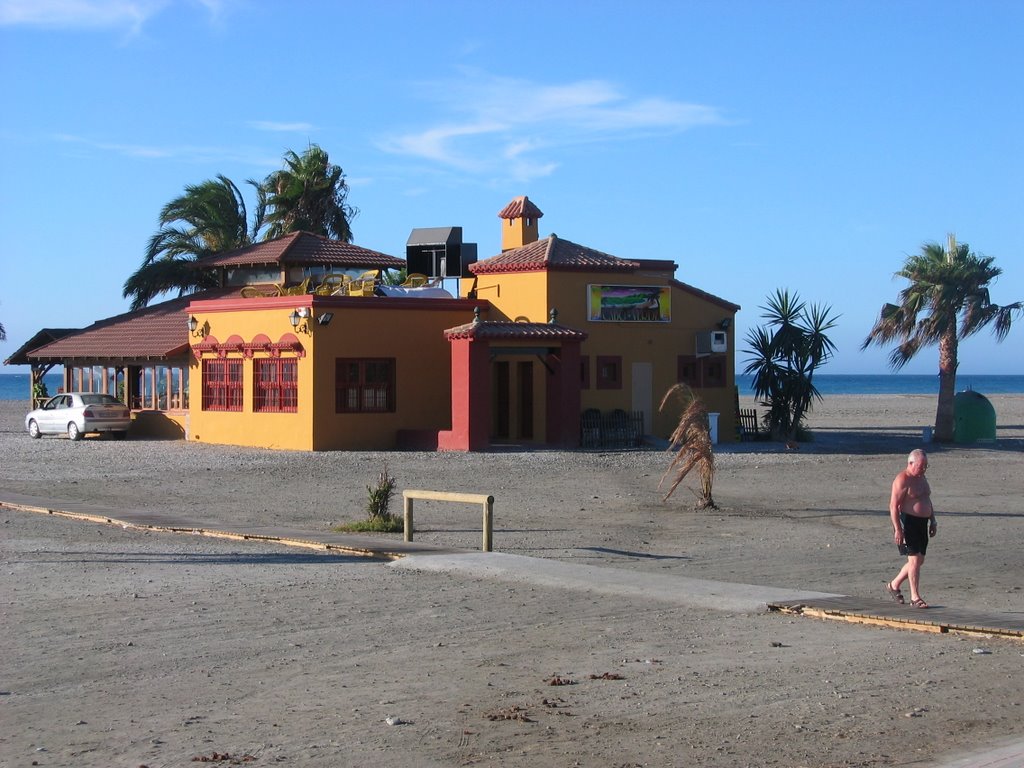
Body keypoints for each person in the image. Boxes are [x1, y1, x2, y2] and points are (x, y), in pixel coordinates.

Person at [885, 449, 937, 608]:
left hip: (922, 523)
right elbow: (893, 506)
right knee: (914, 560)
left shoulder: (922, 477)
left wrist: (933, 520)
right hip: (908, 523)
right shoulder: (902, 479)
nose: (923, 469)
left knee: (919, 560)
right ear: (910, 463)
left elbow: (926, 499)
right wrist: (898, 529)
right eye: (921, 466)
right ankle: (915, 598)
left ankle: (893, 585)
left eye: (926, 466)